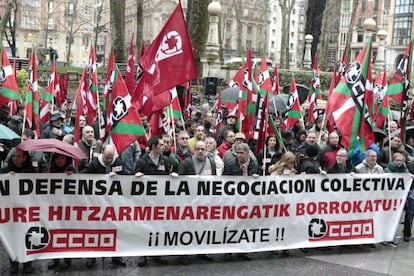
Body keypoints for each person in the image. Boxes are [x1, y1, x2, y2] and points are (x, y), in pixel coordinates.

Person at [135, 135, 175, 266]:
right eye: (161, 145)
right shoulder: (142, 161)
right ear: (154, 147)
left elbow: (168, 176)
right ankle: (143, 254)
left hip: (160, 201)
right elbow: (133, 181)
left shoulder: (165, 160)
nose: (164, 147)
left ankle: (157, 253)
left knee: (158, 227)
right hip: (146, 202)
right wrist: (137, 176)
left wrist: (172, 176)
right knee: (145, 228)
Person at [84, 144, 126, 268]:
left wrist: (118, 178)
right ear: (102, 153)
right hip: (96, 203)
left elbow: (126, 176)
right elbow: (85, 178)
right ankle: (92, 256)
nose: (109, 160)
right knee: (94, 230)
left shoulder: (117, 162)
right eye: (107, 157)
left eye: (110, 157)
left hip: (113, 203)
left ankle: (116, 256)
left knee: (115, 230)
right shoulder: (94, 164)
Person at [223, 142, 260, 261]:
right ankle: (228, 250)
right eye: (237, 153)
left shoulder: (254, 164)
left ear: (247, 153)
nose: (239, 155)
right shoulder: (230, 164)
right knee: (231, 225)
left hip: (248, 201)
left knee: (245, 226)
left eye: (241, 153)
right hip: (234, 200)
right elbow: (224, 180)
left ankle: (243, 250)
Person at [0, 149, 35, 273]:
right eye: (14, 156)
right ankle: (13, 262)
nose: (15, 158)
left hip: (27, 211)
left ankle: (27, 263)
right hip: (11, 211)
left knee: (27, 237)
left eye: (18, 156)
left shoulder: (31, 172)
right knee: (12, 237)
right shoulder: (4, 171)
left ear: (24, 158)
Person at [45, 153, 76, 271]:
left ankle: (67, 259)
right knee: (54, 233)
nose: (59, 160)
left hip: (68, 207)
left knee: (67, 233)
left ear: (66, 159)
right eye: (57, 158)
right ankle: (55, 259)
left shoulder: (72, 169)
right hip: (52, 207)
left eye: (62, 158)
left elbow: (82, 182)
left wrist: (72, 176)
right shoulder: (48, 170)